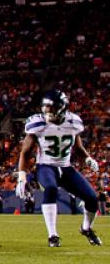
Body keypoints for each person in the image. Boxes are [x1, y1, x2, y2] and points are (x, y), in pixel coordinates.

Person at [15, 89, 101, 247]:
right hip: (46, 166)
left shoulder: (74, 122)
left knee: (92, 199)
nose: (47, 110)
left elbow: (78, 147)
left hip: (66, 167)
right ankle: (52, 235)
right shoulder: (37, 123)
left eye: (51, 107)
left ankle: (86, 228)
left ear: (62, 107)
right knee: (51, 188)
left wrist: (88, 158)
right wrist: (21, 176)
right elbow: (25, 153)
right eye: (45, 107)